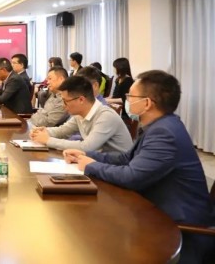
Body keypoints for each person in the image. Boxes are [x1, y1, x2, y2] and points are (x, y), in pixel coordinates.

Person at [64, 71, 214, 263]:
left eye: (130, 96)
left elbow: (132, 177)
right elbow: (127, 158)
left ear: (147, 103)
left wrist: (91, 166)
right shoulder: (160, 126)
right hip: (155, 214)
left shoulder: (164, 133)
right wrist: (87, 156)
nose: (127, 100)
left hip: (180, 231)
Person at [30, 76, 132, 152]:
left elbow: (86, 147)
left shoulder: (106, 116)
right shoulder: (80, 115)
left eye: (65, 101)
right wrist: (42, 132)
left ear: (81, 100)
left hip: (116, 168)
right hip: (98, 163)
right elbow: (63, 131)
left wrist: (48, 140)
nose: (64, 106)